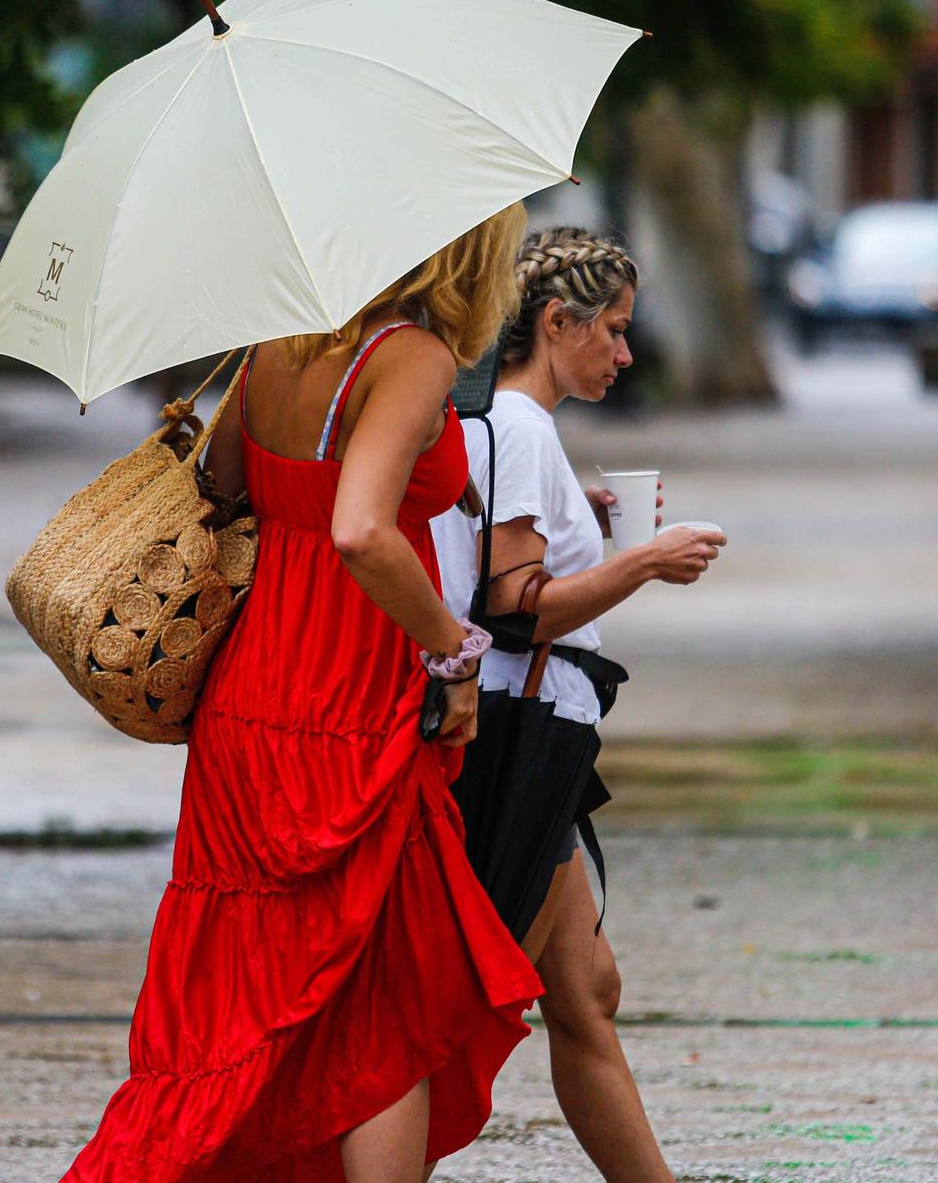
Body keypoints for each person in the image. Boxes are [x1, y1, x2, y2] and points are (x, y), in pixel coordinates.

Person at [62, 203, 544, 1182]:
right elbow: (362, 530)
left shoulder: (278, 344)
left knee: (240, 990)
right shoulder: (409, 357)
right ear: (469, 247)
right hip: (351, 698)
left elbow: (230, 481)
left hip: (250, 696)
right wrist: (451, 650)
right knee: (387, 999)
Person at [433, 226, 724, 1182]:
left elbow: (503, 566)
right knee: (473, 1006)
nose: (626, 353)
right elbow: (516, 607)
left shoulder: (496, 422)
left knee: (585, 988)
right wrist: (644, 558)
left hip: (535, 729)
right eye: (615, 331)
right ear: (559, 323)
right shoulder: (519, 427)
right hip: (526, 734)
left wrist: (583, 525)